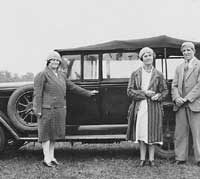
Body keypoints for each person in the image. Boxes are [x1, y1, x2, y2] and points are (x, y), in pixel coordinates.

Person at [33, 51, 97, 167]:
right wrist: (37, 110)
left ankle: (52, 157)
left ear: (59, 62)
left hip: (59, 109)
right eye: (52, 60)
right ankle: (46, 158)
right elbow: (37, 94)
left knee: (54, 135)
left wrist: (88, 92)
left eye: (57, 60)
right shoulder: (42, 75)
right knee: (46, 135)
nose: (55, 62)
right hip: (47, 109)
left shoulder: (62, 75)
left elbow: (72, 87)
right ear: (48, 62)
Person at [126, 47, 168, 167]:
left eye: (150, 55)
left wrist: (158, 96)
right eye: (145, 56)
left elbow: (165, 91)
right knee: (141, 132)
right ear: (141, 58)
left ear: (153, 57)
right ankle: (142, 159)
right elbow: (129, 91)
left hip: (154, 107)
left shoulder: (158, 74)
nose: (148, 57)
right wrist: (144, 93)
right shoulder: (135, 74)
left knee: (152, 132)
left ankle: (152, 159)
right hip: (140, 107)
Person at [171, 42, 200, 166]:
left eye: (189, 50)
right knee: (180, 132)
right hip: (180, 105)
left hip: (195, 103)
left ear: (194, 51)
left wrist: (187, 98)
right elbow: (175, 85)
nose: (186, 53)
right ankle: (180, 157)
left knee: (197, 132)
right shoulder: (179, 67)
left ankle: (199, 159)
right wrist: (176, 97)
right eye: (184, 51)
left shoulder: (199, 65)